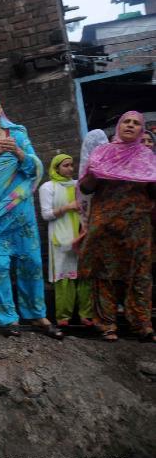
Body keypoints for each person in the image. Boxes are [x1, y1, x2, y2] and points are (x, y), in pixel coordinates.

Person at [0, 93, 62, 339]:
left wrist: (17, 151)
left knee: (31, 262)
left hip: (20, 211)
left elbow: (34, 168)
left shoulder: (18, 135)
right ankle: (7, 319)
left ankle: (37, 314)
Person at [78, 111, 156, 342]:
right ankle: (106, 324)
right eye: (126, 122)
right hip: (106, 224)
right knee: (104, 274)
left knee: (140, 274)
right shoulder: (103, 153)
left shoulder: (148, 157)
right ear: (119, 126)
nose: (130, 126)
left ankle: (141, 324)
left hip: (137, 225)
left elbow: (153, 193)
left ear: (141, 130)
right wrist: (93, 172)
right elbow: (86, 189)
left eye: (136, 123)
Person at [38, 154, 92, 328]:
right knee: (64, 277)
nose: (70, 168)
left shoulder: (79, 185)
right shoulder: (48, 187)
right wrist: (67, 207)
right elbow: (46, 214)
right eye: (66, 165)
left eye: (71, 165)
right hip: (61, 239)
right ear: (56, 168)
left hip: (81, 236)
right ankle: (63, 316)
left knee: (83, 277)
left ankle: (86, 314)